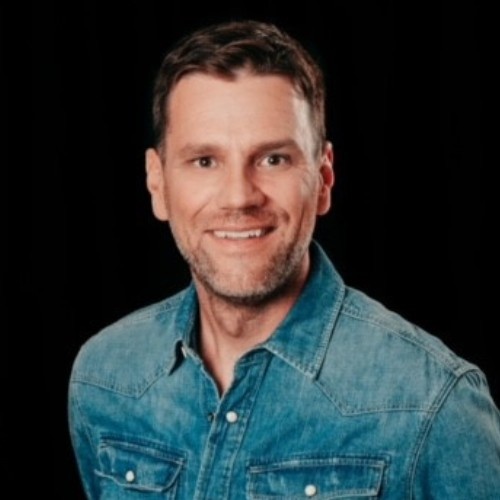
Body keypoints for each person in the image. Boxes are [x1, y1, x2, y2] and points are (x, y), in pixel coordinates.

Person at [68, 20, 499, 499]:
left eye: (273, 159)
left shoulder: (433, 404)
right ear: (157, 183)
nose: (239, 197)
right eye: (205, 161)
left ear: (323, 179)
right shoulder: (105, 377)